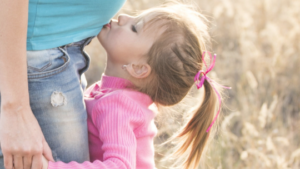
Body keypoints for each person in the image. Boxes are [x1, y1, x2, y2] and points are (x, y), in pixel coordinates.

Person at [40, 3, 229, 169]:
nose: (123, 18)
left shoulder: (118, 105)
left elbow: (120, 166)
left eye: (134, 28)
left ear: (139, 68)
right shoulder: (113, 94)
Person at [0, 0, 126, 169]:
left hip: (51, 57)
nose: (125, 17)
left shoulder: (118, 101)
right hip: (36, 59)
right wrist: (16, 109)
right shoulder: (120, 108)